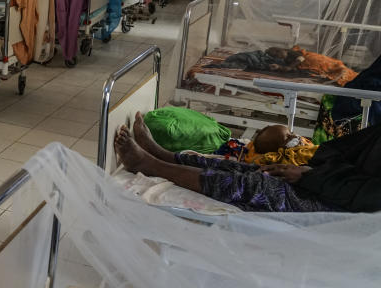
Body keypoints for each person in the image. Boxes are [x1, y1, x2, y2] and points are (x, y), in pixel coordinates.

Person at [114, 112, 381, 213]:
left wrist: (309, 176)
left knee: (254, 186)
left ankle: (150, 165)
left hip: (347, 206)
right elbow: (350, 149)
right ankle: (163, 155)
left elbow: (370, 194)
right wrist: (310, 167)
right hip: (337, 178)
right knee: (252, 167)